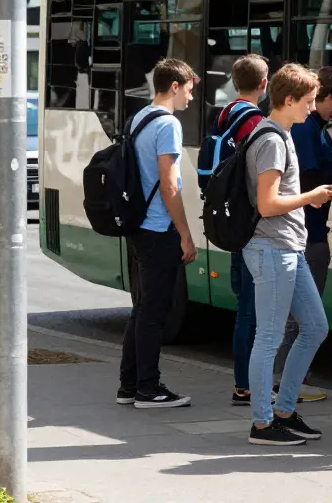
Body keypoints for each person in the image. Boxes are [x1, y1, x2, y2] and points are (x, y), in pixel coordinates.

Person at [243, 63, 332, 446]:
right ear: (288, 99)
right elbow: (267, 204)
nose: (313, 108)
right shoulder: (272, 140)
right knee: (268, 337)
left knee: (316, 327)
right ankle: (263, 424)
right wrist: (311, 198)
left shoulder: (280, 134)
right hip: (272, 248)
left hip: (288, 247)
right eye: (309, 101)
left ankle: (283, 410)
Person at [116, 58, 199, 410]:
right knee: (154, 312)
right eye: (190, 91)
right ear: (175, 86)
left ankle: (129, 385)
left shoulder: (139, 117)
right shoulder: (168, 124)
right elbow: (169, 184)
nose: (192, 99)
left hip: (138, 226)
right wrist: (185, 233)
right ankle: (148, 388)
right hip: (158, 227)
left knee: (142, 309)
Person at [274, 66, 332, 402]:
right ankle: (285, 383)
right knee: (303, 318)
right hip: (309, 232)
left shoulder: (316, 128)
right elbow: (305, 181)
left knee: (301, 317)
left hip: (312, 231)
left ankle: (287, 381)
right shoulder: (308, 130)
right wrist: (331, 183)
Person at [220, 55, 267, 406]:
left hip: (232, 218)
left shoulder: (225, 113)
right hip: (249, 223)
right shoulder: (253, 122)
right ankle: (244, 385)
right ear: (264, 85)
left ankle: (244, 383)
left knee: (244, 307)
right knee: (250, 311)